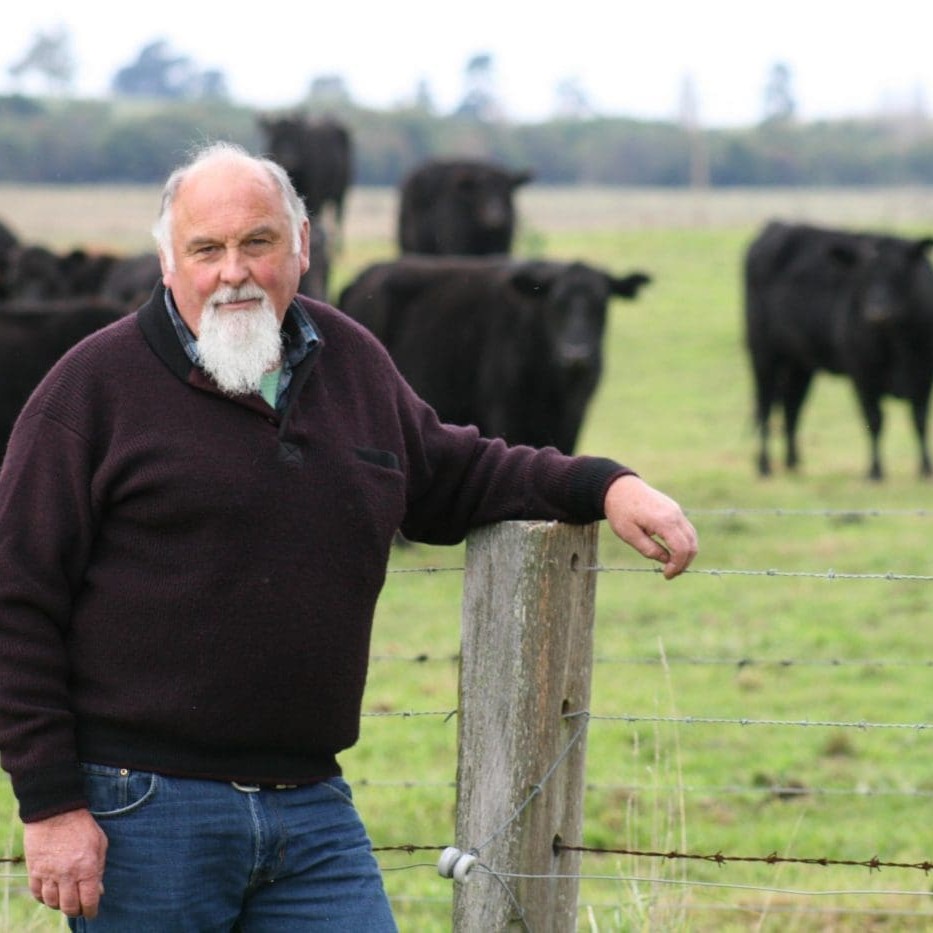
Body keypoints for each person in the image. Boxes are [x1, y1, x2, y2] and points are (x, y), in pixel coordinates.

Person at [0, 141, 697, 930]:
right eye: (206, 249)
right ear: (169, 264)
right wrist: (51, 803)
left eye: (258, 242)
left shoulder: (348, 362)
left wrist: (605, 484)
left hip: (311, 806)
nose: (233, 270)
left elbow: (452, 470)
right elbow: (16, 598)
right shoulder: (92, 391)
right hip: (148, 808)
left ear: (300, 247)